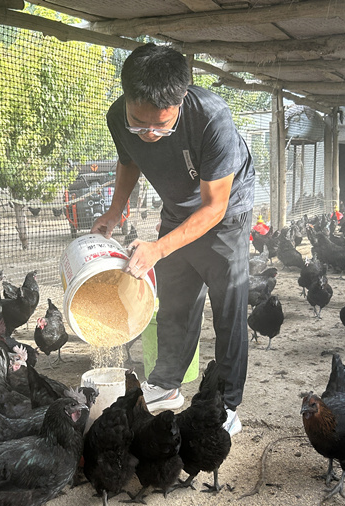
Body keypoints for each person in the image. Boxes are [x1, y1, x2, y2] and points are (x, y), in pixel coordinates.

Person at [90, 43, 255, 436]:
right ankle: (165, 384)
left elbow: (214, 207)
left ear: (181, 99)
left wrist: (159, 247)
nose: (148, 133)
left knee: (229, 307)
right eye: (139, 122)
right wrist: (116, 211)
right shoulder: (118, 116)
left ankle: (226, 405)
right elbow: (128, 160)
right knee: (175, 302)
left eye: (160, 125)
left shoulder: (212, 118)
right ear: (127, 98)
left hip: (226, 212)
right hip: (178, 209)